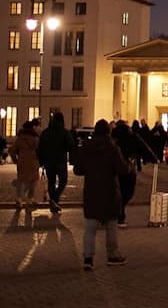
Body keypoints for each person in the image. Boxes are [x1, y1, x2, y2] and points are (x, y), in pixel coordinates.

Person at [75, 119, 128, 270]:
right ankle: (112, 255)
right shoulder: (112, 148)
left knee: (90, 227)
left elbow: (78, 170)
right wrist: (129, 166)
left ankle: (88, 258)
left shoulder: (86, 147)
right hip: (109, 190)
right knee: (111, 225)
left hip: (91, 190)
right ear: (108, 132)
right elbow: (122, 169)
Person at [37, 112, 74, 213]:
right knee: (63, 181)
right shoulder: (65, 132)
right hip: (60, 161)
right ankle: (55, 199)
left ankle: (53, 201)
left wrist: (41, 161)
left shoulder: (46, 132)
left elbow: (40, 148)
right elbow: (71, 145)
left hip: (48, 161)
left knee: (51, 182)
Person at [11, 120, 41, 210]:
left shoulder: (19, 139)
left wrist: (15, 160)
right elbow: (40, 151)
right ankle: (29, 198)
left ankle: (19, 198)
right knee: (33, 180)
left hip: (22, 161)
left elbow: (12, 151)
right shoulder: (36, 139)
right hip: (33, 162)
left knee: (21, 180)